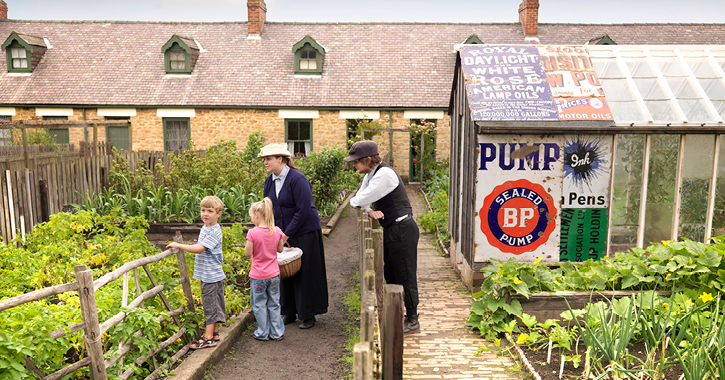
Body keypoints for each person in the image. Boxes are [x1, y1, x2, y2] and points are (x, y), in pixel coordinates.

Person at [345, 140, 421, 335]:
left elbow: (359, 199)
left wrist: (361, 204)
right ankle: (396, 314)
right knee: (391, 273)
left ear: (368, 160)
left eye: (356, 161)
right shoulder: (371, 174)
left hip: (403, 228)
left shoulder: (385, 175)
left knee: (405, 274)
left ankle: (412, 319)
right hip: (391, 228)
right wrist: (369, 210)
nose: (354, 165)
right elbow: (362, 198)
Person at [258, 143, 328, 329]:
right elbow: (268, 209)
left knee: (306, 272)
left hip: (305, 230)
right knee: (283, 271)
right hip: (282, 233)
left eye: (268, 159)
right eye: (264, 159)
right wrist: (271, 233)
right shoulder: (269, 181)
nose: (265, 162)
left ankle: (308, 314)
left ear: (280, 159)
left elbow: (304, 210)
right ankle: (288, 311)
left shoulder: (298, 179)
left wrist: (286, 235)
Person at [167, 195, 226, 349]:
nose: (205, 214)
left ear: (218, 213)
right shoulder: (206, 227)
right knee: (213, 303)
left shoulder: (214, 231)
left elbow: (200, 249)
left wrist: (179, 245)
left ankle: (208, 338)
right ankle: (213, 332)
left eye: (210, 211)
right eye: (203, 210)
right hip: (209, 273)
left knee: (209, 305)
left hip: (211, 275)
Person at [245, 197, 286, 341]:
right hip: (274, 274)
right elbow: (280, 249)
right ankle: (276, 333)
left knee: (259, 304)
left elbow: (248, 253)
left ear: (256, 214)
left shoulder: (253, 233)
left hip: (258, 276)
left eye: (251, 217)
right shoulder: (277, 231)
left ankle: (262, 333)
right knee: (274, 303)